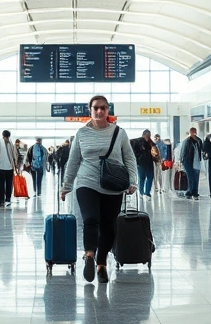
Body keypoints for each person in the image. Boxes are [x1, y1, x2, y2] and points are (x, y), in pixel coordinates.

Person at [61, 95, 137, 283]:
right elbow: (73, 161)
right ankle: (89, 255)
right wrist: (66, 185)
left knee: (109, 227)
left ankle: (101, 262)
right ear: (90, 110)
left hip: (113, 185)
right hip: (87, 183)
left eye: (103, 108)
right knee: (91, 220)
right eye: (96, 108)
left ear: (107, 110)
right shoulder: (82, 133)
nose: (99, 111)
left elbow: (129, 158)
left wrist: (132, 181)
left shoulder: (119, 133)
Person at [130, 130, 157, 198]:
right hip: (142, 163)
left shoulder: (149, 142)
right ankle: (142, 192)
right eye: (148, 135)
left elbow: (154, 149)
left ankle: (146, 192)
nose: (149, 137)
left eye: (149, 136)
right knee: (142, 178)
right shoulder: (138, 141)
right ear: (144, 135)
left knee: (149, 177)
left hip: (148, 163)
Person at [0, 130, 19, 207]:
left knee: (6, 185)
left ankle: (5, 199)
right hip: (3, 168)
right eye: (6, 137)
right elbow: (14, 156)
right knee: (3, 185)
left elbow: (14, 155)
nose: (7, 139)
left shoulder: (5, 144)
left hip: (6, 168)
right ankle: (3, 200)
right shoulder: (3, 144)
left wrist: (15, 165)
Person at [180, 128, 204, 200]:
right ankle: (189, 192)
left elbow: (202, 149)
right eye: (192, 132)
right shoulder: (187, 141)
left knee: (196, 177)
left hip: (196, 161)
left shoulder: (199, 140)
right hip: (188, 161)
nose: (194, 133)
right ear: (190, 133)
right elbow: (183, 152)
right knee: (191, 177)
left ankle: (195, 192)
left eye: (195, 132)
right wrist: (182, 161)